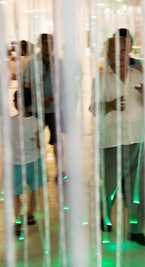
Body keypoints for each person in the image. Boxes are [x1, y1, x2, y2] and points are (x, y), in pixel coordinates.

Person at [89, 30, 145, 246]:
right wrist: (110, 105)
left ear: (129, 50)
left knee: (137, 188)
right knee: (110, 185)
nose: (121, 53)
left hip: (136, 139)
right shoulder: (101, 78)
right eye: (116, 49)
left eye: (124, 49)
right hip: (111, 140)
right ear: (109, 52)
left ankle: (135, 229)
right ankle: (104, 215)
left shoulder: (139, 76)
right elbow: (93, 108)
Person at [22, 33, 63, 181]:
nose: (48, 47)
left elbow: (63, 84)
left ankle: (59, 171)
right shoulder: (32, 63)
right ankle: (37, 170)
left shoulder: (58, 63)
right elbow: (28, 84)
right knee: (35, 140)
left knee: (57, 141)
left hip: (54, 109)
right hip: (36, 108)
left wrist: (52, 98)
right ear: (41, 45)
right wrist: (40, 98)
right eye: (46, 44)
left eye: (51, 44)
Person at [11, 87, 47, 236]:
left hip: (15, 163)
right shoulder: (35, 122)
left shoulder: (9, 122)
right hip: (33, 161)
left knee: (14, 193)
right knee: (35, 188)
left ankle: (18, 221)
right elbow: (39, 144)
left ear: (15, 103)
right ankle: (30, 215)